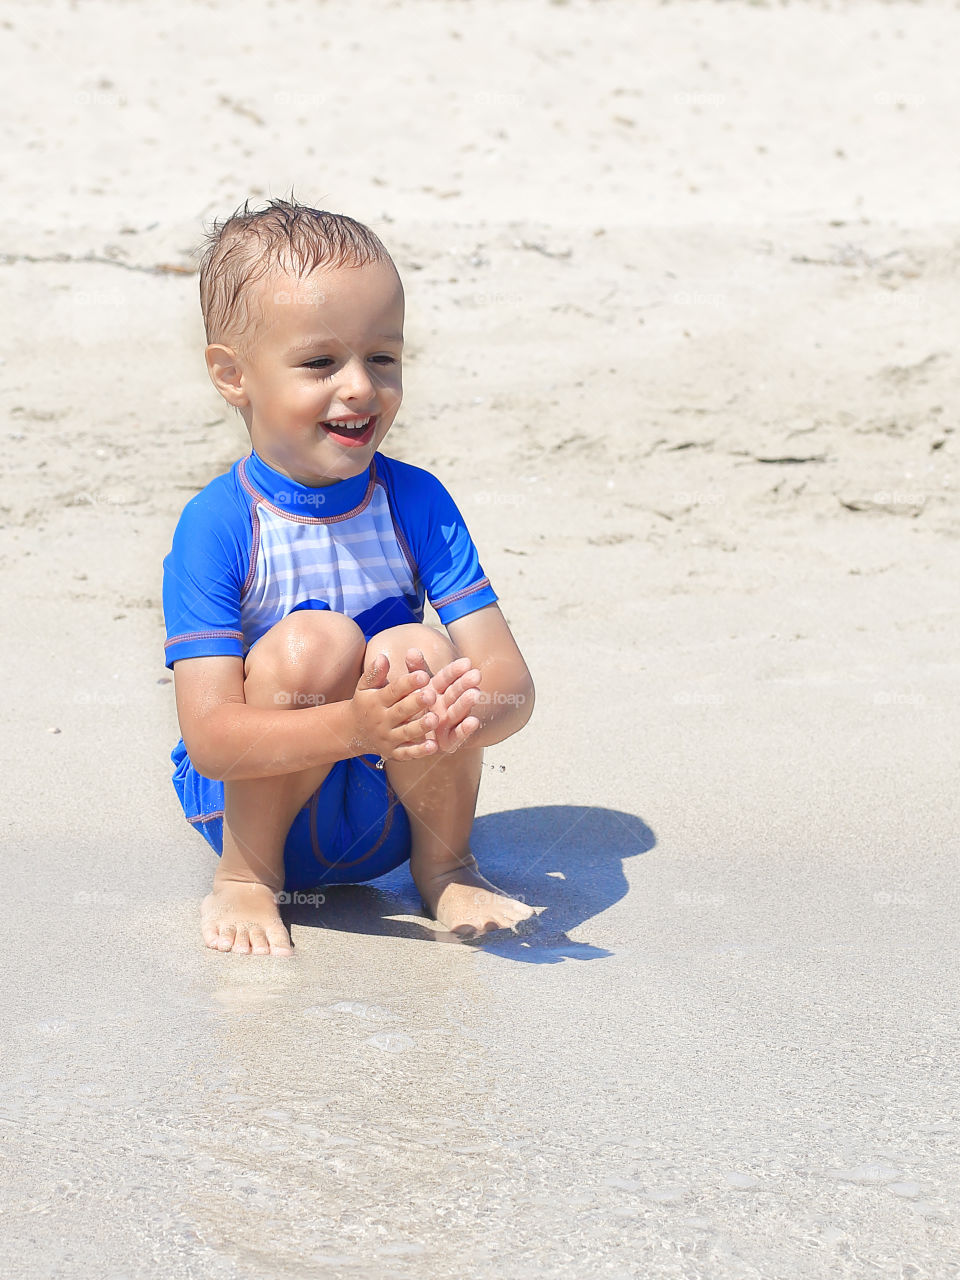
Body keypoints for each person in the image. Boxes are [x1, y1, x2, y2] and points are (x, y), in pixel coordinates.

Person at [162, 197, 537, 956]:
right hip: (254, 802)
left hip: (386, 817)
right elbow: (210, 740)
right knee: (313, 645)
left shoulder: (417, 502)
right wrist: (354, 726)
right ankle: (245, 880)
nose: (361, 387)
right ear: (233, 376)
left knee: (419, 650)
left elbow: (510, 682)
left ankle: (448, 865)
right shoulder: (220, 524)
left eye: (383, 357)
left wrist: (460, 712)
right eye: (320, 362)